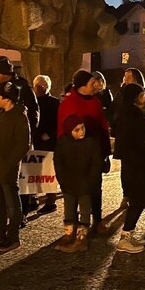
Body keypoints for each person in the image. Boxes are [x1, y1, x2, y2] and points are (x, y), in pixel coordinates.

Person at [0, 58, 40, 216]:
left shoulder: (23, 87)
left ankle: (21, 215)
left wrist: (25, 134)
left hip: (15, 139)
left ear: (5, 74)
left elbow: (33, 112)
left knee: (18, 181)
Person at [57, 70, 112, 234]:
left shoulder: (95, 101)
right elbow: (63, 132)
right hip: (76, 155)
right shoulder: (69, 103)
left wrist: (105, 152)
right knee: (75, 191)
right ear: (82, 86)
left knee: (96, 187)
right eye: (91, 83)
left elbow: (103, 127)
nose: (95, 85)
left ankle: (97, 220)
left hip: (94, 152)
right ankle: (73, 225)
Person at [114, 83, 145, 254]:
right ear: (134, 97)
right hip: (137, 165)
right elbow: (132, 139)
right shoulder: (130, 116)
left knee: (138, 199)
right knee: (137, 200)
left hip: (136, 163)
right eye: (141, 93)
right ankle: (125, 237)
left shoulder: (130, 113)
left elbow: (144, 123)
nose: (144, 96)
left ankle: (128, 233)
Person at [0, 82, 31, 253]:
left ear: (8, 99)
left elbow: (23, 145)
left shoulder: (19, 117)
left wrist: (8, 164)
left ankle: (13, 237)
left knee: (11, 203)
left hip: (6, 168)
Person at [54, 114, 102, 252]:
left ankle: (82, 238)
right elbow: (58, 162)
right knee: (69, 209)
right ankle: (69, 234)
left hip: (85, 183)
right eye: (77, 130)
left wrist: (91, 181)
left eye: (82, 128)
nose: (81, 132)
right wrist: (61, 179)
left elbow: (96, 164)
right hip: (68, 182)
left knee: (85, 210)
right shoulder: (63, 142)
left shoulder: (91, 143)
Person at [33, 75, 60, 214]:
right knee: (33, 171)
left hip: (49, 143)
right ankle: (33, 198)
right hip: (34, 142)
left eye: (42, 86)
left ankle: (51, 201)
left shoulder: (55, 103)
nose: (40, 88)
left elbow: (59, 123)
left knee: (48, 173)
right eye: (37, 85)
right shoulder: (31, 101)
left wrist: (49, 134)